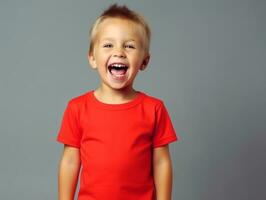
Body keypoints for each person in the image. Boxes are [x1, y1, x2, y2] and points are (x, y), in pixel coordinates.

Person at [56, 3, 180, 200]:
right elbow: (70, 161)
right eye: (108, 45)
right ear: (92, 58)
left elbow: (161, 163)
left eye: (129, 46)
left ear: (144, 61)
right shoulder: (77, 108)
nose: (119, 52)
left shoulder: (154, 109)